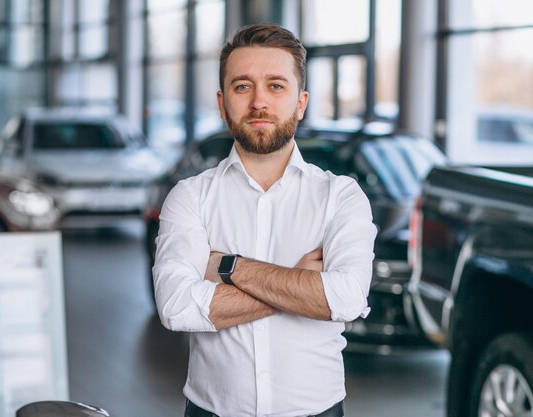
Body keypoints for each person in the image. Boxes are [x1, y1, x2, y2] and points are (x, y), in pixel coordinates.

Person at [153, 22, 376, 417]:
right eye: (243, 86)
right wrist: (299, 285)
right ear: (222, 104)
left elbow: (344, 298)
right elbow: (176, 306)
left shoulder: (341, 197)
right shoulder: (190, 197)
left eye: (276, 86)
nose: (259, 102)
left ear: (301, 102)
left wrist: (228, 266)